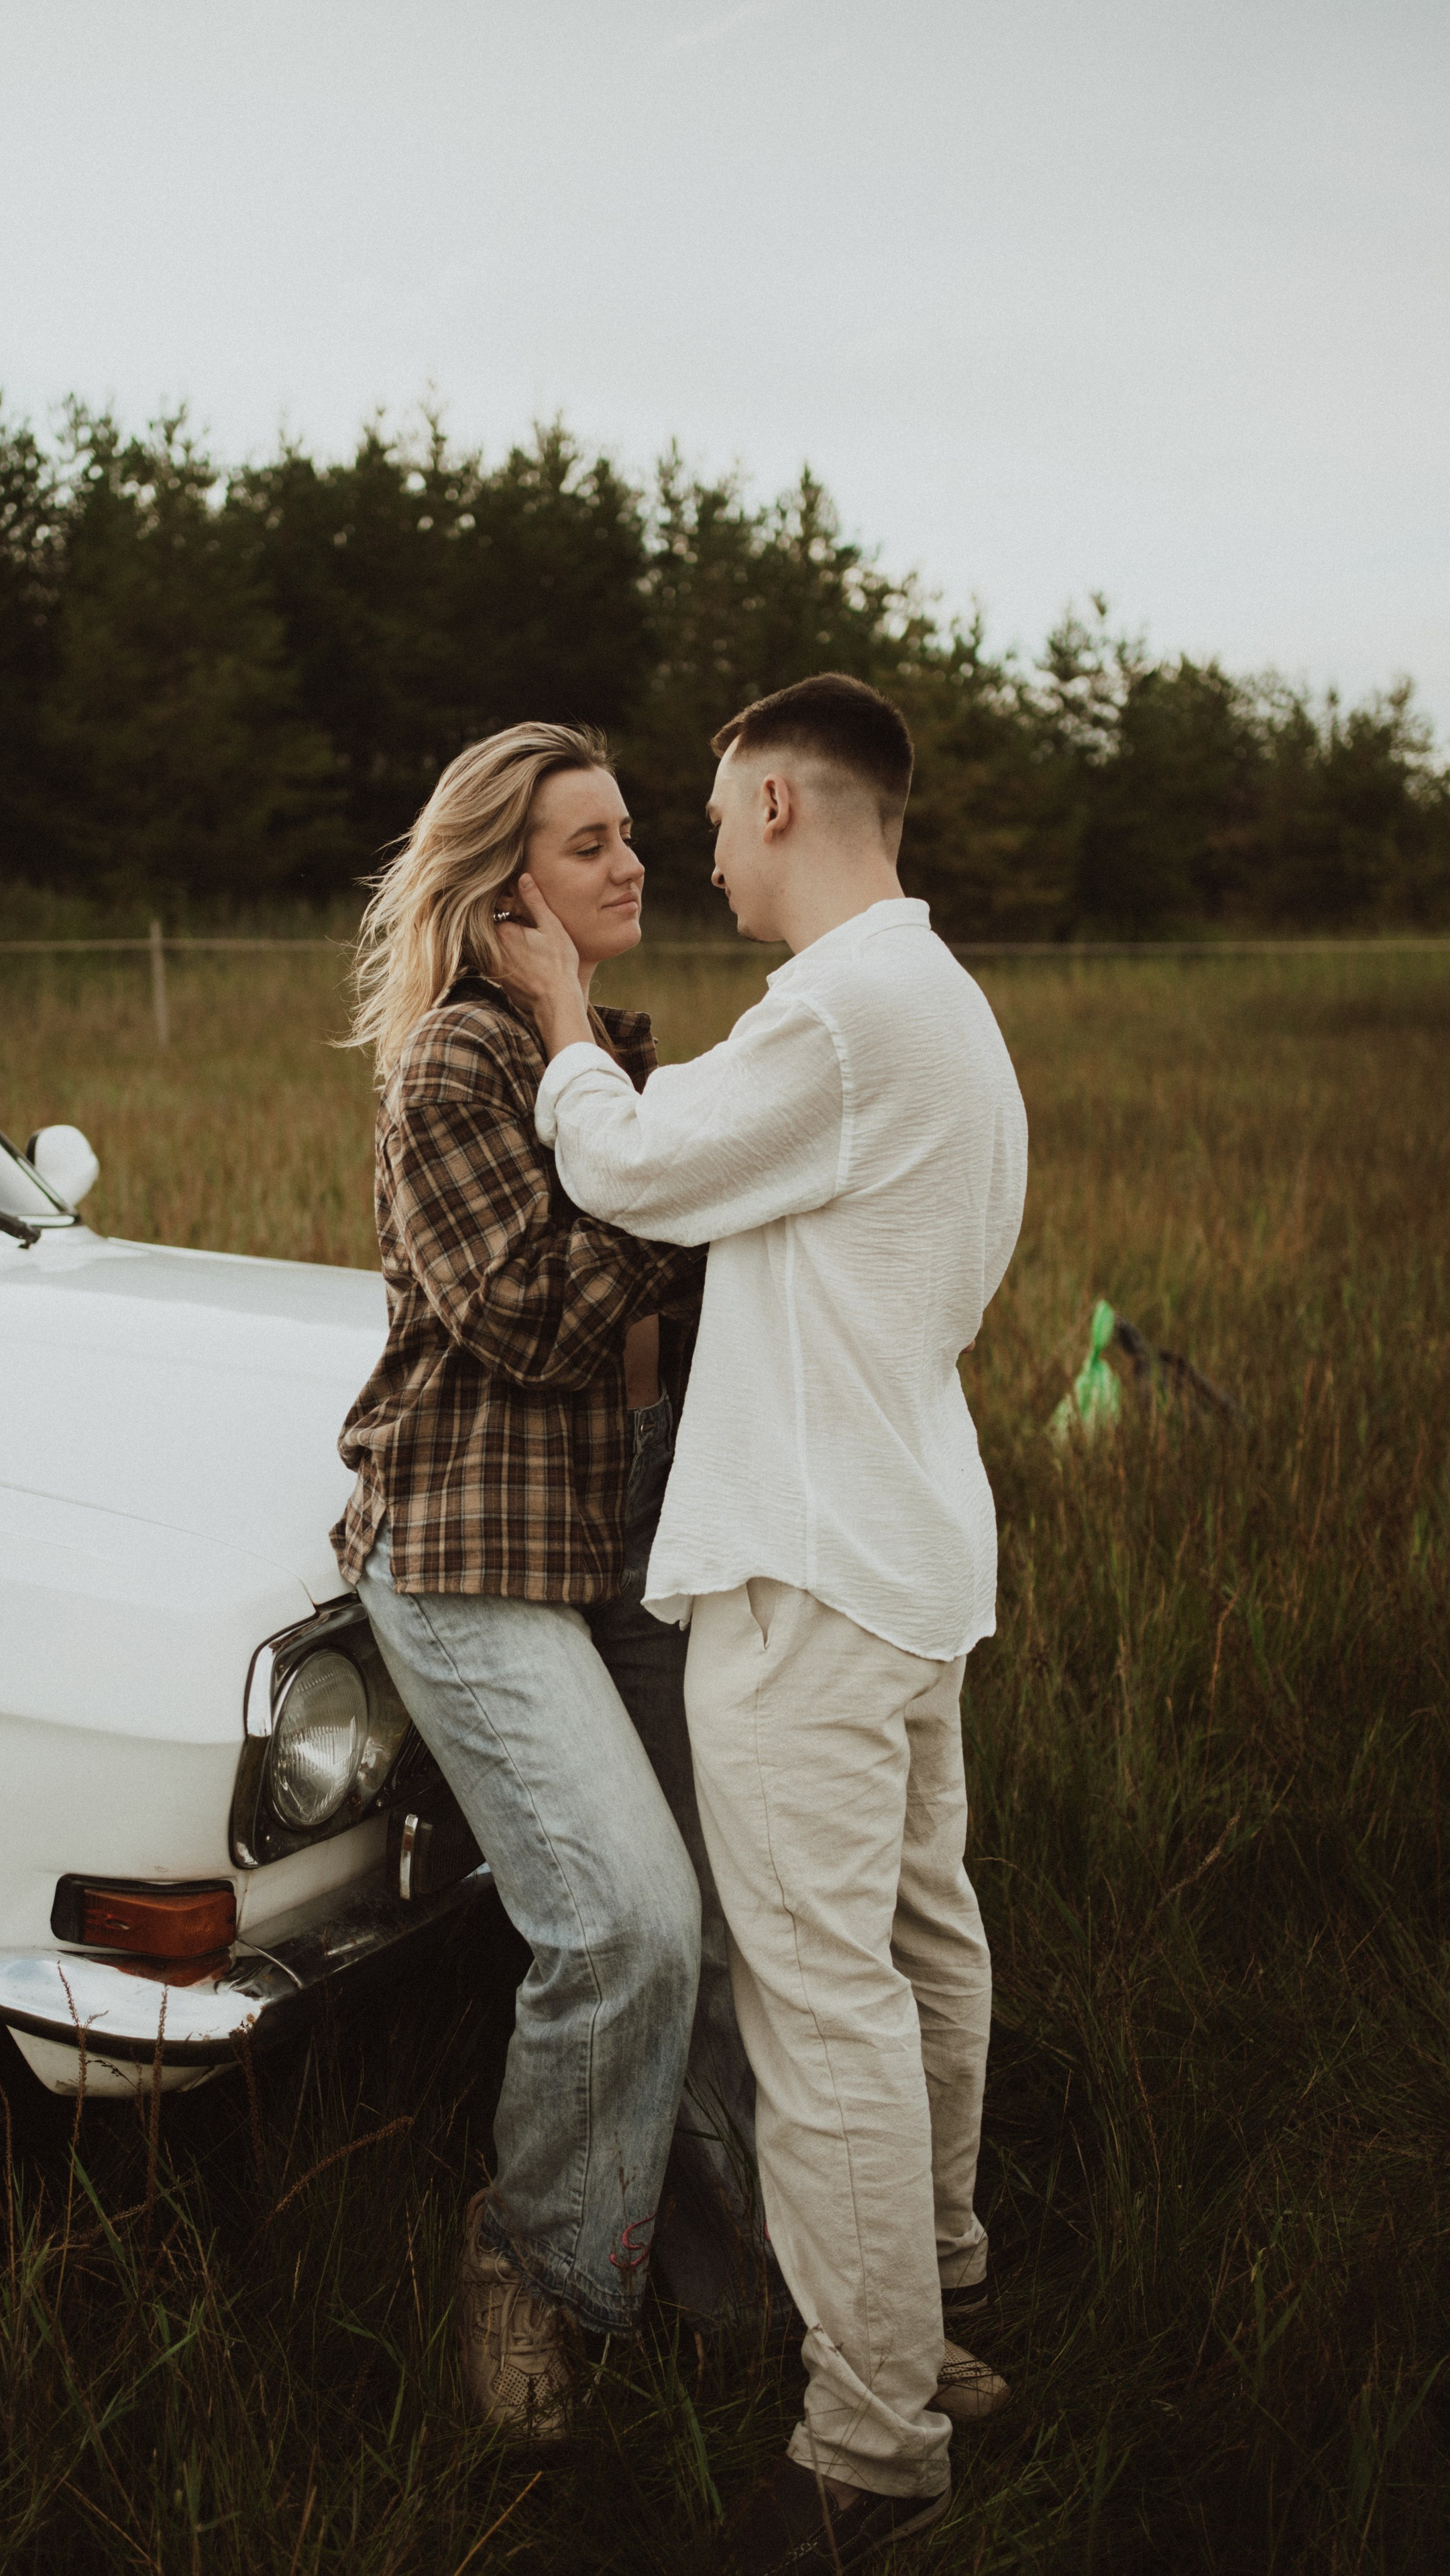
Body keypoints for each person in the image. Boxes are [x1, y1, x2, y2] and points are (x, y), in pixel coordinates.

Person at [494, 675, 1028, 2571]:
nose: (699, 851)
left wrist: (561, 1023)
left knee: (818, 2004)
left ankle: (867, 2444)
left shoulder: (842, 1014)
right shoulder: (943, 1004)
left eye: (714, 814)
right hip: (908, 1548)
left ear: (785, 802)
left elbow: (628, 1162)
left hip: (807, 1568)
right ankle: (933, 2303)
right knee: (920, 1946)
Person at [331, 718, 763, 2440]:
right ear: (506, 891)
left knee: (717, 1931)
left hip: (623, 1538)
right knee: (626, 1922)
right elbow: (525, 1317)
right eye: (590, 844)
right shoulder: (454, 1065)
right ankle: (535, 2263)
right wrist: (678, 1195)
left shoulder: (612, 1068)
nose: (633, 863)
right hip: (466, 1552)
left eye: (633, 833)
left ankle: (742, 2298)